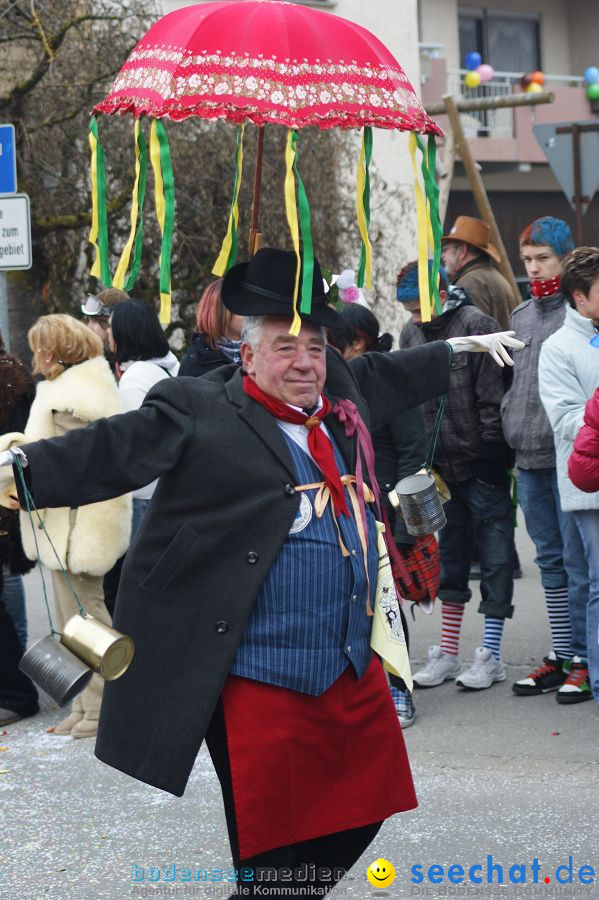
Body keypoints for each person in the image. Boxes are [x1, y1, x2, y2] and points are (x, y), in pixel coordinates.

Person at [0, 249, 520, 895]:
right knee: (271, 842)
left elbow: (388, 370)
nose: (304, 361)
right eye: (284, 347)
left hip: (347, 661)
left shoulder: (339, 394)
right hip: (253, 668)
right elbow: (117, 445)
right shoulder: (199, 407)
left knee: (370, 802)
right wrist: (24, 471)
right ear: (247, 356)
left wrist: (455, 348)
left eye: (315, 345)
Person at [0, 315, 132, 738]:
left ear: (53, 351)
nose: (34, 355)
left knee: (86, 616)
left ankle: (101, 710)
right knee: (71, 619)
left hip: (80, 525)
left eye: (39, 347)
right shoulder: (66, 387)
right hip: (63, 523)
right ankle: (84, 704)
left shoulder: (79, 393)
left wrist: (18, 452)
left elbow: (74, 460)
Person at [398, 260, 516, 691]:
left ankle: (492, 653)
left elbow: (493, 394)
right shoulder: (412, 335)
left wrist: (490, 453)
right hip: (437, 470)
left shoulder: (476, 324)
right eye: (408, 310)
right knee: (447, 560)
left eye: (417, 308)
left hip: (480, 463)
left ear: (442, 296)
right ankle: (448, 651)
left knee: (496, 558)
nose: (413, 318)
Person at [501, 218, 590, 703]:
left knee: (579, 564)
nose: (534, 269)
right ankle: (561, 653)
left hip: (569, 460)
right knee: (549, 562)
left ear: (565, 258)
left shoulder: (580, 317)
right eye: (527, 260)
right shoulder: (522, 316)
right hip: (528, 458)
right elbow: (514, 385)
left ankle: (583, 656)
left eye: (543, 259)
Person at [328, 303, 427, 727]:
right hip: (342, 507)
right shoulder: (330, 384)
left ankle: (400, 688)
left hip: (384, 510)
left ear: (358, 342)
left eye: (330, 344)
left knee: (385, 601)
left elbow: (412, 453)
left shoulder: (382, 379)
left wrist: (412, 524)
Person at [539, 247, 599, 704]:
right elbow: (565, 420)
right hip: (590, 485)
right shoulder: (559, 347)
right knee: (595, 584)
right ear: (580, 297)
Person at [107, 300, 179, 536]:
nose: (108, 333)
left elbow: (134, 440)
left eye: (110, 327)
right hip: (169, 488)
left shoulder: (135, 377)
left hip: (146, 495)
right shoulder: (171, 366)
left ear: (123, 333)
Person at [0, 334, 38, 726]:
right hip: (13, 491)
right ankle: (19, 667)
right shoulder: (18, 374)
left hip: (6, 492)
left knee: (8, 582)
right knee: (9, 580)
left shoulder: (9, 380)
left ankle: (18, 675)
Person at [441, 215, 517, 330]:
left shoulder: (468, 284)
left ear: (462, 251)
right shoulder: (496, 277)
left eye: (446, 250)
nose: (443, 256)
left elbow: (472, 335)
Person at [178, 278, 244, 376]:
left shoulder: (259, 349)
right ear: (219, 313)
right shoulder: (195, 364)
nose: (251, 313)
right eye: (241, 306)